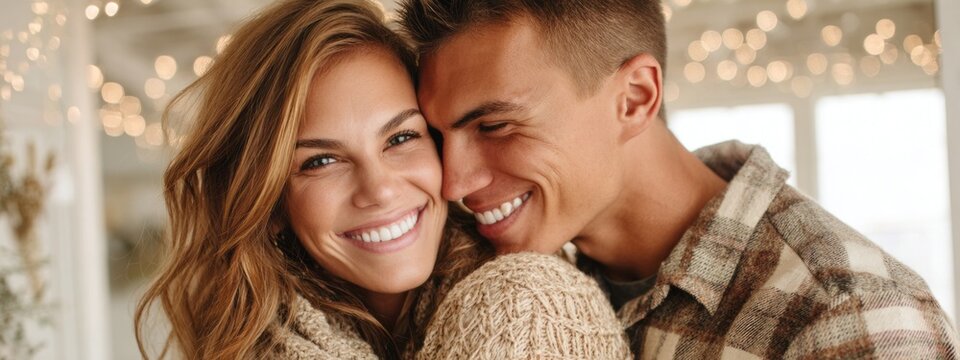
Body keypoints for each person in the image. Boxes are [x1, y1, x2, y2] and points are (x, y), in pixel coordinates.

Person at [398, 0, 960, 358]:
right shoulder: (490, 282)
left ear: (635, 98)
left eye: (495, 125)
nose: (453, 184)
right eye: (441, 137)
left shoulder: (850, 315)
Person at [134, 0, 629, 359]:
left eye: (399, 139)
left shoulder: (529, 305)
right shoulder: (243, 343)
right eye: (320, 162)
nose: (380, 189)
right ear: (271, 206)